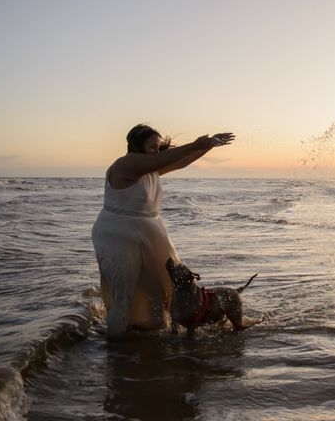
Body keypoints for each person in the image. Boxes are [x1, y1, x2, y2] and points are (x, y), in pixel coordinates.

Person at [92, 124, 234, 336]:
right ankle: (116, 344)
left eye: (159, 147)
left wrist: (209, 145)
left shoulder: (150, 167)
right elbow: (159, 160)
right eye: (153, 147)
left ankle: (155, 331)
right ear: (136, 145)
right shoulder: (127, 163)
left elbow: (180, 161)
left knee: (163, 283)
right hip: (119, 233)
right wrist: (196, 143)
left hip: (149, 230)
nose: (157, 152)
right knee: (124, 289)